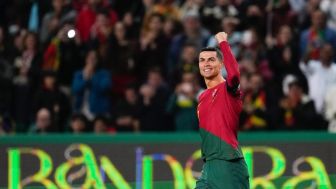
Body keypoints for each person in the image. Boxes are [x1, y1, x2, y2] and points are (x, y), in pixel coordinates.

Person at [196, 32, 249, 189]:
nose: (206, 64)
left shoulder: (228, 90)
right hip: (209, 166)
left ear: (221, 65)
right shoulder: (202, 98)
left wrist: (223, 43)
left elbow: (234, 76)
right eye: (202, 60)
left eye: (211, 60)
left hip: (228, 164)